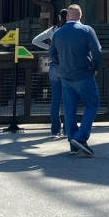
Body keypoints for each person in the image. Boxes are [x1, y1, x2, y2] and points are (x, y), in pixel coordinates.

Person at [50, 4, 102, 156]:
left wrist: (62, 64)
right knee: (92, 104)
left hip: (66, 76)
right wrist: (96, 67)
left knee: (70, 109)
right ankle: (81, 137)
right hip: (84, 74)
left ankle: (73, 144)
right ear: (80, 15)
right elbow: (97, 51)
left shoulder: (58, 33)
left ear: (67, 16)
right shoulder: (87, 30)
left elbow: (52, 53)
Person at [32, 9, 69, 137]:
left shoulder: (53, 30)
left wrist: (50, 48)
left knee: (55, 99)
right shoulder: (70, 30)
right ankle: (67, 129)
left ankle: (55, 129)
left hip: (54, 66)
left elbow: (35, 40)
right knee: (68, 99)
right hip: (67, 66)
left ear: (60, 17)